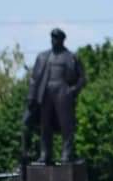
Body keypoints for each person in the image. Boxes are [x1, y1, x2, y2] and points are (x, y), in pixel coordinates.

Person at [25, 28, 87, 164]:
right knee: (45, 124)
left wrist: (72, 91)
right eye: (52, 38)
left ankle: (67, 154)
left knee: (66, 125)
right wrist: (31, 97)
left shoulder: (71, 57)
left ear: (62, 40)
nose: (54, 41)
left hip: (62, 91)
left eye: (57, 38)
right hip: (45, 92)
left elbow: (82, 78)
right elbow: (34, 79)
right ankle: (45, 154)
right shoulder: (43, 56)